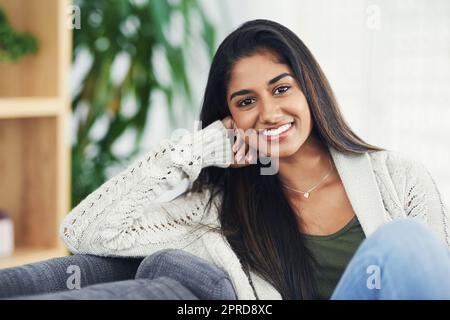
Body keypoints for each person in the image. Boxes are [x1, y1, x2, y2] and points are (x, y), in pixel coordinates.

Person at [1, 19, 449, 300]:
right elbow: (80, 232)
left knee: (404, 241)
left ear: (310, 87)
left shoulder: (399, 177)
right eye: (246, 101)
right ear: (228, 117)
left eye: (280, 88)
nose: (270, 113)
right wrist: (193, 150)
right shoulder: (214, 210)